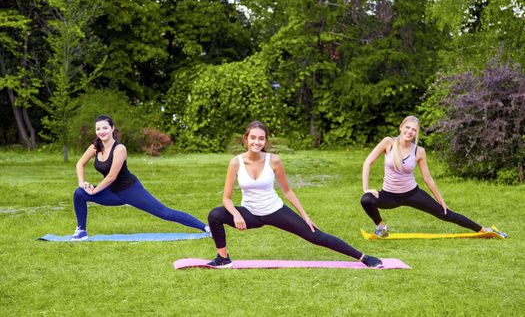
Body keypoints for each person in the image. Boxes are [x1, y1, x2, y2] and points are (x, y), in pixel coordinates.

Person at [207, 120, 383, 268]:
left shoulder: (273, 160)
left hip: (275, 210)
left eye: (261, 139)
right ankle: (223, 258)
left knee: (315, 236)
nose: (256, 142)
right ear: (246, 139)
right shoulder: (235, 163)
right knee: (215, 215)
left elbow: (287, 190)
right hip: (250, 213)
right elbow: (226, 198)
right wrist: (236, 214)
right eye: (253, 138)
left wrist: (305, 216)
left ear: (265, 141)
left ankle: (364, 258)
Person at [360, 115, 507, 238]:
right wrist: (366, 188)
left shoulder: (419, 151)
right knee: (366, 200)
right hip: (389, 196)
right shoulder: (388, 143)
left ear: (416, 133)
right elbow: (368, 162)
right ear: (401, 127)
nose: (410, 131)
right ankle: (381, 227)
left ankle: (484, 230)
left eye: (414, 130)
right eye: (408, 127)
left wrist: (441, 200)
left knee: (445, 214)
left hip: (413, 193)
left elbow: (427, 178)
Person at [71, 115, 209, 240]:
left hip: (130, 191)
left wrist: (94, 191)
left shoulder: (120, 149)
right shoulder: (95, 147)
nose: (102, 131)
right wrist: (82, 183)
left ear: (112, 128)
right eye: (98, 129)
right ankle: (81, 230)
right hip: (112, 193)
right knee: (79, 193)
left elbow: (112, 176)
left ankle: (206, 228)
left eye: (105, 128)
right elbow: (80, 164)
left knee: (165, 213)